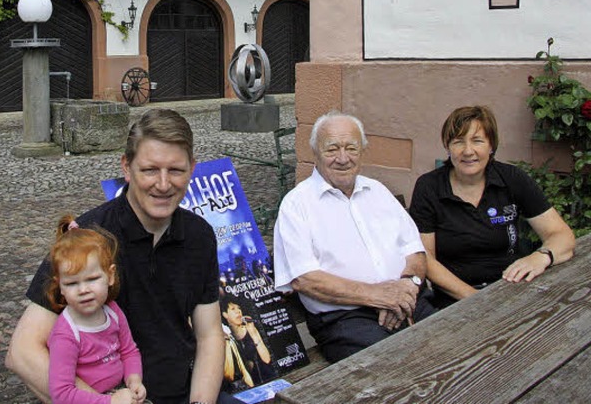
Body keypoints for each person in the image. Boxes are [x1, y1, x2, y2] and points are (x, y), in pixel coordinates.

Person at [6, 108, 234, 404]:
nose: (163, 184)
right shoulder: (88, 236)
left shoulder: (199, 236)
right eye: (150, 170)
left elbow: (209, 336)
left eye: (175, 170)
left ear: (192, 168)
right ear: (127, 168)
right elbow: (22, 351)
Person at [273, 111, 435, 363]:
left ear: (362, 152)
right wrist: (378, 296)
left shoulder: (377, 191)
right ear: (315, 152)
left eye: (351, 148)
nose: (343, 158)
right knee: (399, 366)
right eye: (332, 149)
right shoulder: (297, 205)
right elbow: (305, 279)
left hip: (408, 300)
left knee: (453, 349)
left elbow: (414, 251)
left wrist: (406, 286)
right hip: (347, 319)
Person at [409, 105, 576, 309]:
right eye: (458, 141)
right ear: (448, 146)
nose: (468, 151)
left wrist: (541, 257)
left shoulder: (512, 179)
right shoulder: (429, 187)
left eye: (477, 141)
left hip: (512, 289)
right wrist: (476, 299)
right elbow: (425, 258)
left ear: (491, 146)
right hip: (456, 300)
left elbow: (562, 235)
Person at [46, 216, 147, 404]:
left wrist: (134, 380)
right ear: (60, 286)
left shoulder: (113, 312)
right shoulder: (66, 334)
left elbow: (129, 351)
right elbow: (62, 393)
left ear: (109, 276)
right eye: (72, 283)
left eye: (92, 279)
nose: (83, 290)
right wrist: (110, 402)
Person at [220, 299, 275, 393]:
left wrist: (253, 332)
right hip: (244, 386)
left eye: (239, 308)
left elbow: (266, 359)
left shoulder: (250, 328)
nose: (238, 311)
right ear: (225, 314)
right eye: (233, 309)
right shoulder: (226, 335)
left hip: (264, 378)